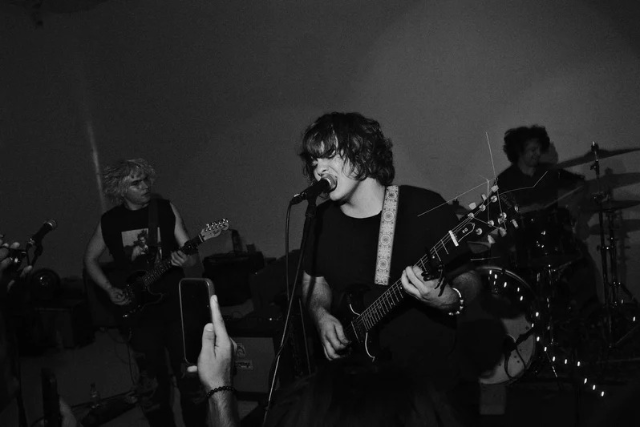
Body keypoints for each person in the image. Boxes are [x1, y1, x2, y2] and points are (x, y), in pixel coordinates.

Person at [297, 112, 494, 424]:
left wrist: (448, 299)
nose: (319, 168)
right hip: (359, 392)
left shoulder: (424, 206)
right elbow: (313, 281)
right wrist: (321, 316)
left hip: (429, 390)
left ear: (363, 154)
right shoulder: (319, 220)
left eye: (330, 155)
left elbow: (468, 279)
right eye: (314, 159)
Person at [83, 158, 207, 427]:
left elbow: (192, 257)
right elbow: (90, 259)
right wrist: (109, 289)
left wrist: (186, 259)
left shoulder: (164, 209)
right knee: (151, 382)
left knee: (190, 374)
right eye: (136, 183)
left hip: (176, 307)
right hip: (139, 313)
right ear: (120, 189)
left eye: (146, 180)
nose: (145, 186)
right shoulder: (110, 221)